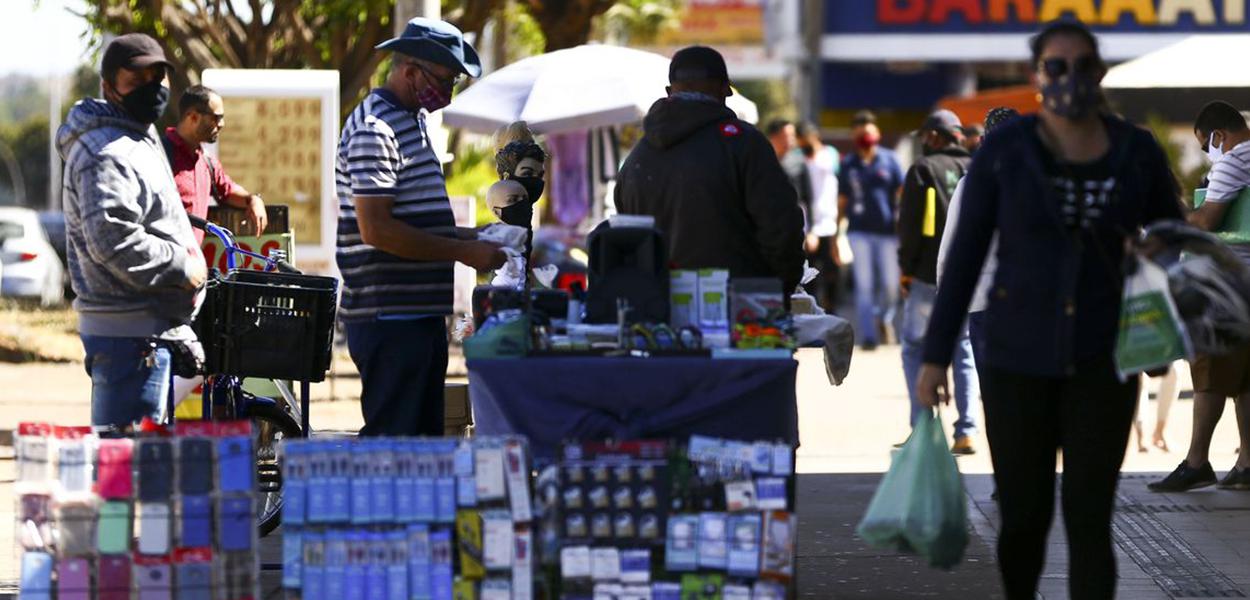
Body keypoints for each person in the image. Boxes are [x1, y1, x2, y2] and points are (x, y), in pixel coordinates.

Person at [916, 20, 1183, 599]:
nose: (1070, 79)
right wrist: (935, 356)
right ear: (1038, 77)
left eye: (1081, 66)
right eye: (1055, 68)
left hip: (1102, 356)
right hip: (1017, 356)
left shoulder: (1135, 149)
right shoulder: (1008, 150)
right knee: (1023, 518)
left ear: (1100, 72)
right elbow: (963, 259)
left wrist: (1156, 245)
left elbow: (1173, 227)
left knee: (1089, 517)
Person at [336, 18, 506, 437]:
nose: (447, 93)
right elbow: (378, 230)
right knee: (396, 444)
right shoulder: (375, 129)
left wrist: (476, 236)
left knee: (420, 448)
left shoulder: (410, 122)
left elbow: (418, 218)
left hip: (418, 317)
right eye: (444, 80)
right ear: (409, 71)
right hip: (390, 319)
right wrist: (464, 252)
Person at [56, 33, 207, 427]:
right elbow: (112, 239)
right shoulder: (104, 152)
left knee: (138, 472)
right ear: (109, 87)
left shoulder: (138, 134)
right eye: (136, 79)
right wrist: (181, 264)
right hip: (129, 336)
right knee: (125, 474)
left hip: (147, 330)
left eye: (158, 77)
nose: (151, 88)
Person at [615, 46, 805, 293]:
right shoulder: (744, 144)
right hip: (738, 309)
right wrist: (779, 289)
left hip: (658, 313)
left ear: (670, 92)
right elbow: (781, 226)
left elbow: (625, 236)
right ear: (725, 90)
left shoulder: (638, 157)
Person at [1149, 100, 1250, 491]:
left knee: (1208, 374)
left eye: (1206, 143)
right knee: (1245, 379)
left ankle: (1196, 461)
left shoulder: (1233, 159)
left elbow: (1209, 220)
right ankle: (1245, 462)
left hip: (1226, 283)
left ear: (1218, 135)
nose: (1210, 152)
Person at [896, 109, 977, 454]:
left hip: (928, 275)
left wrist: (906, 268)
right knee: (963, 350)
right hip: (971, 278)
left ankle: (923, 429)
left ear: (933, 136)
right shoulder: (977, 168)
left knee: (915, 347)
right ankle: (966, 431)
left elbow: (912, 227)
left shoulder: (923, 170)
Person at [163, 85, 268, 243]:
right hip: (161, 262)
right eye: (216, 117)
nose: (222, 124)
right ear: (193, 117)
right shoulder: (160, 154)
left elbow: (227, 191)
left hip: (193, 263)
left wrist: (253, 199)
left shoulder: (206, 161)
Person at [839, 110, 905, 349]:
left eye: (868, 131)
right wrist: (837, 234)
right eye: (860, 133)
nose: (865, 136)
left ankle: (884, 318)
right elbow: (842, 200)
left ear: (876, 133)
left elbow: (903, 193)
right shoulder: (848, 164)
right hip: (858, 231)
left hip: (888, 232)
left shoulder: (889, 160)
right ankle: (868, 335)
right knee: (864, 284)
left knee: (890, 285)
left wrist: (905, 224)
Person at [797, 121, 842, 311]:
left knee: (832, 272)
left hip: (829, 223)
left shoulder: (830, 154)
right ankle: (813, 311)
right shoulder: (799, 159)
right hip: (809, 225)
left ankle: (831, 310)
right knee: (811, 274)